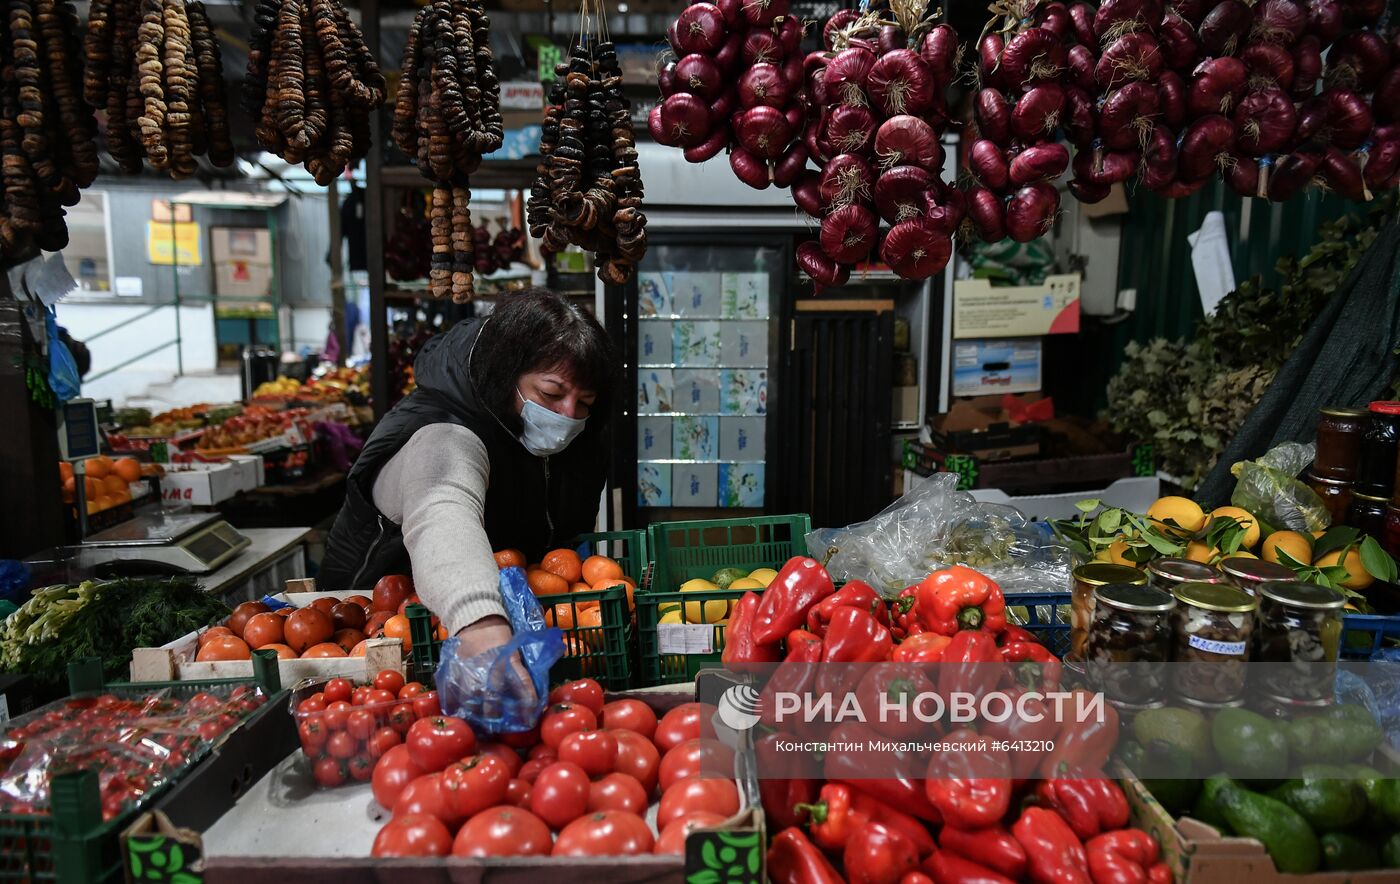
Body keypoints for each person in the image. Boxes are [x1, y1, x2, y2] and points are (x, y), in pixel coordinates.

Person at [320, 288, 615, 660]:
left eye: (584, 402)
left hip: (507, 618)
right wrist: (483, 625)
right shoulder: (443, 433)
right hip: (375, 630)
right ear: (507, 373)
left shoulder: (580, 437)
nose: (568, 414)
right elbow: (444, 516)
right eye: (551, 393)